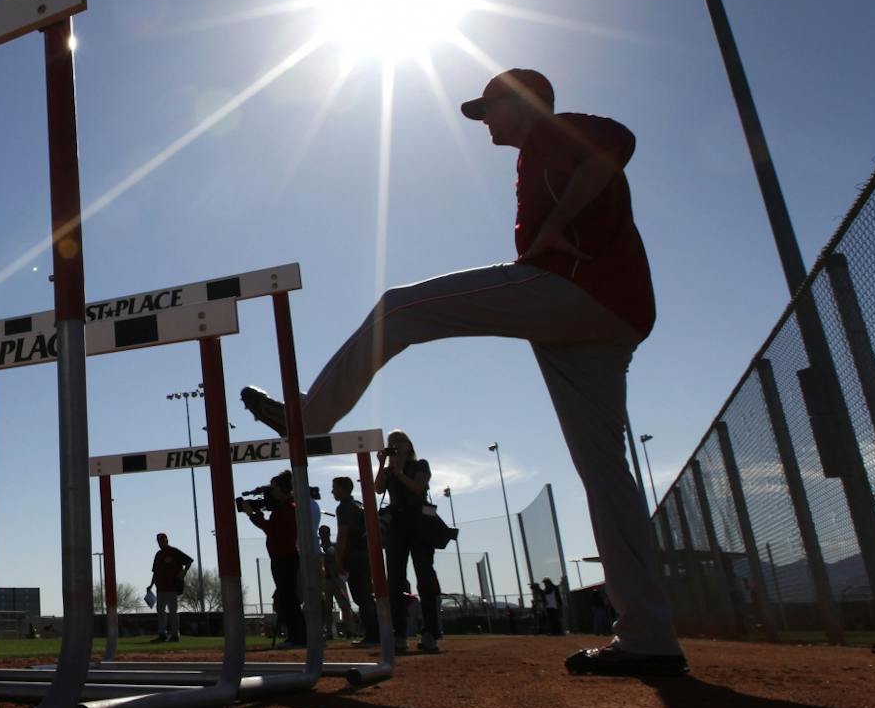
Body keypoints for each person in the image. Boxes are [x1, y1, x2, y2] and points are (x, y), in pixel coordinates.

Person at [269, 69, 684, 677]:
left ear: (521, 103)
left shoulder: (554, 129)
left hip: (573, 290)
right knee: (605, 474)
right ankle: (649, 635)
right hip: (604, 315)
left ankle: (310, 418)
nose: (484, 122)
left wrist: (555, 221)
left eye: (488, 109)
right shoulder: (538, 152)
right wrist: (556, 222)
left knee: (398, 309)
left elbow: (619, 141)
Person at [380, 430, 444, 654]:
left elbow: (418, 488)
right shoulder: (389, 471)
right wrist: (382, 465)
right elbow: (378, 488)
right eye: (391, 443)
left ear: (409, 445)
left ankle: (430, 633)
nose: (395, 446)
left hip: (419, 524)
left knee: (425, 576)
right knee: (395, 580)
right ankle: (399, 634)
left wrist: (399, 472)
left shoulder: (420, 466)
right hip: (397, 526)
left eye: (399, 441)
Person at [243, 472, 307, 650]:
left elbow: (272, 530)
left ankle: (299, 636)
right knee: (286, 598)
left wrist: (253, 515)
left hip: (286, 557)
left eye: (275, 489)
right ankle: (296, 636)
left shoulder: (289, 509)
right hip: (280, 556)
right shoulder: (282, 508)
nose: (272, 493)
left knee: (289, 598)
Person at [332, 475, 381, 646]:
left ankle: (374, 634)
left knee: (362, 596)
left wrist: (338, 559)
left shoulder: (344, 508)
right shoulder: (358, 505)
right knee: (366, 595)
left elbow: (342, 534)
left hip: (353, 556)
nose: (333, 491)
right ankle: (375, 632)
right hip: (364, 555)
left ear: (343, 489)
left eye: (335, 488)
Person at [317, 522, 360, 641]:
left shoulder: (334, 547)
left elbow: (335, 556)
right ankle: (329, 631)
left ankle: (350, 630)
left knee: (345, 606)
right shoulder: (318, 548)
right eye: (322, 533)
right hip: (326, 581)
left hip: (337, 579)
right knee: (327, 608)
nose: (324, 535)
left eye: (326, 533)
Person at [148, 533, 192, 643]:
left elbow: (189, 561)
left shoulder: (174, 552)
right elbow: (155, 572)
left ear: (166, 540)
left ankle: (175, 634)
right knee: (160, 611)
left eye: (162, 540)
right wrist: (151, 585)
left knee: (172, 611)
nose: (160, 543)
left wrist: (184, 572)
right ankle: (162, 633)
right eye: (159, 541)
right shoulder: (158, 554)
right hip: (160, 587)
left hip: (171, 587)